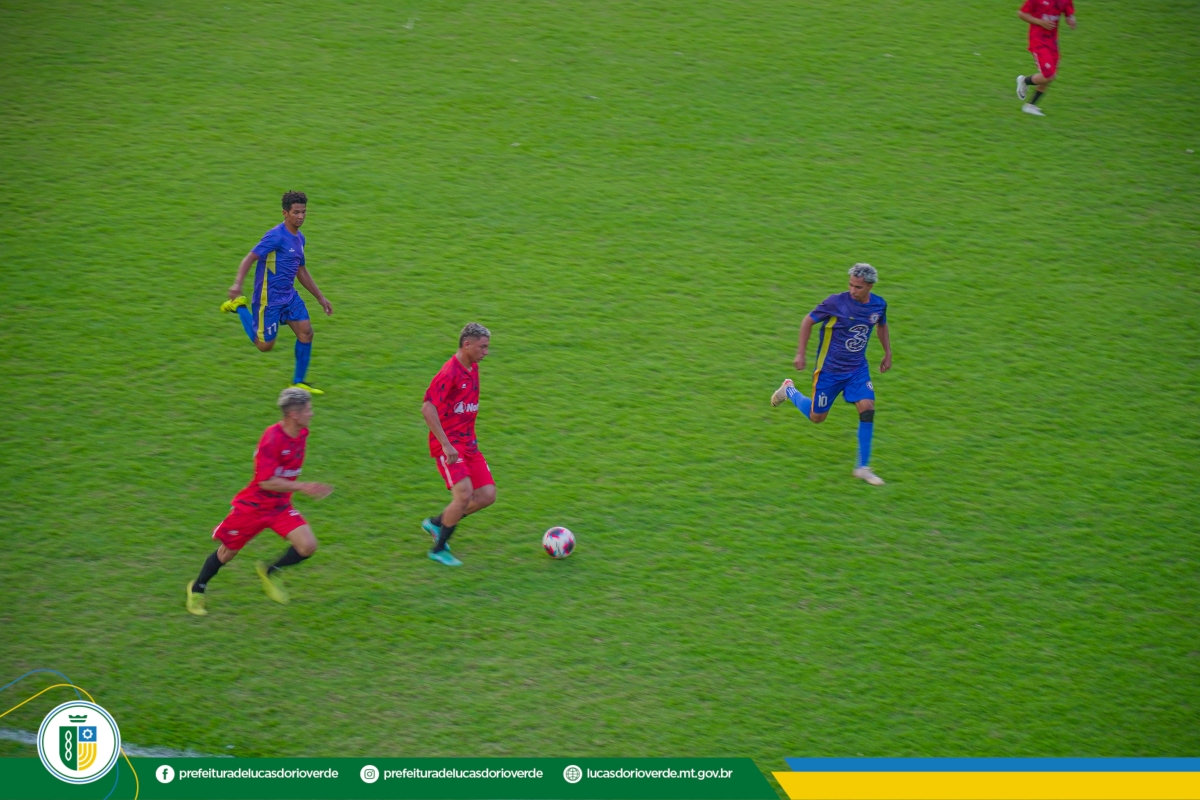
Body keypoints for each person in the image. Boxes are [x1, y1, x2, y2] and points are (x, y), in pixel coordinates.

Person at [185, 387, 332, 615]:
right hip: (253, 508)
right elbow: (265, 482)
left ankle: (269, 571)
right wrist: (303, 486)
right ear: (294, 414)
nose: (311, 414)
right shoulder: (272, 439)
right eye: (308, 410)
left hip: (280, 507)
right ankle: (197, 589)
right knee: (227, 553)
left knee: (307, 546)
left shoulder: (302, 433)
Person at [771, 263, 892, 485]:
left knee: (867, 408)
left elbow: (881, 326)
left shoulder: (878, 305)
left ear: (870, 286)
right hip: (829, 370)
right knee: (817, 417)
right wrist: (800, 353)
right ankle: (789, 390)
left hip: (857, 369)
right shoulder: (836, 303)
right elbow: (808, 321)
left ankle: (862, 468)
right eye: (851, 285)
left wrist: (887, 353)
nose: (853, 290)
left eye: (858, 287)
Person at [220, 190, 333, 394]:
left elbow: (301, 270)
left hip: (289, 296)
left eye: (304, 212)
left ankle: (298, 382)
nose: (300, 216)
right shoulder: (275, 236)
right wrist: (237, 284)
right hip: (268, 299)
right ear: (285, 213)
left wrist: (320, 297)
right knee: (265, 346)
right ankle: (240, 307)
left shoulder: (300, 239)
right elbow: (250, 258)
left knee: (306, 332)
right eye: (296, 212)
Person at [420, 323, 497, 566]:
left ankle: (437, 523)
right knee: (463, 496)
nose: (486, 352)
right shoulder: (449, 373)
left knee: (487, 495)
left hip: (468, 442)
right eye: (482, 347)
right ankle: (438, 549)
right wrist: (446, 444)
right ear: (467, 344)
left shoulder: (472, 367)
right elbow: (427, 408)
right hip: (450, 445)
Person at [1015, 0, 1076, 116]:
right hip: (1038, 41)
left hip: (1052, 42)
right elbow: (1021, 13)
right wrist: (1040, 22)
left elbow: (1068, 11)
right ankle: (1024, 81)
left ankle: (1030, 106)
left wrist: (1071, 19)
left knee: (1049, 76)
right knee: (1049, 74)